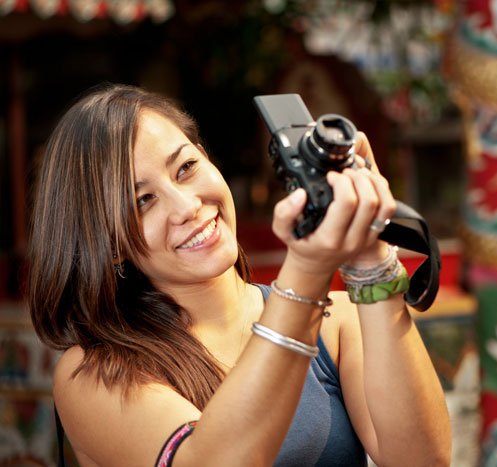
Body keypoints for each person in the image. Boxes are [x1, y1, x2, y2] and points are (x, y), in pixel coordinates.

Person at [27, 83, 451, 466]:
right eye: (142, 201)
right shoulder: (96, 373)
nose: (186, 205)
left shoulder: (337, 323)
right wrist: (305, 271)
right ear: (110, 244)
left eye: (186, 168)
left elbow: (421, 460)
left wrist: (369, 256)